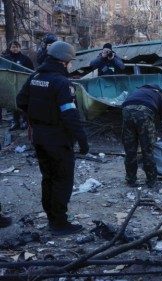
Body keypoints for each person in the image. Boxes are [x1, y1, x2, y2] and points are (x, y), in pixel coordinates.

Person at [17, 41, 89, 236]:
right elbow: (69, 114)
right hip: (58, 139)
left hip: (39, 138)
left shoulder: (35, 77)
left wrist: (37, 117)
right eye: (70, 61)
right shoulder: (62, 83)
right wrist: (82, 140)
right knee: (62, 180)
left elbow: (20, 101)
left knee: (48, 178)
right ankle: (59, 223)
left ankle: (51, 218)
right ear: (64, 61)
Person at [121, 84, 162, 188]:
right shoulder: (161, 96)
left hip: (126, 110)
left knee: (130, 150)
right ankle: (152, 181)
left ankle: (130, 180)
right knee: (147, 150)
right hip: (144, 112)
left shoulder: (138, 91)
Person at [1, 40, 34, 130]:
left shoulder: (25, 59)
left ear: (19, 48)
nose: (15, 48)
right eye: (13, 47)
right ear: (10, 48)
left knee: (22, 102)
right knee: (13, 103)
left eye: (16, 46)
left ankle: (25, 121)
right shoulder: (6, 59)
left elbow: (31, 71)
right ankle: (16, 122)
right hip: (10, 84)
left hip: (22, 84)